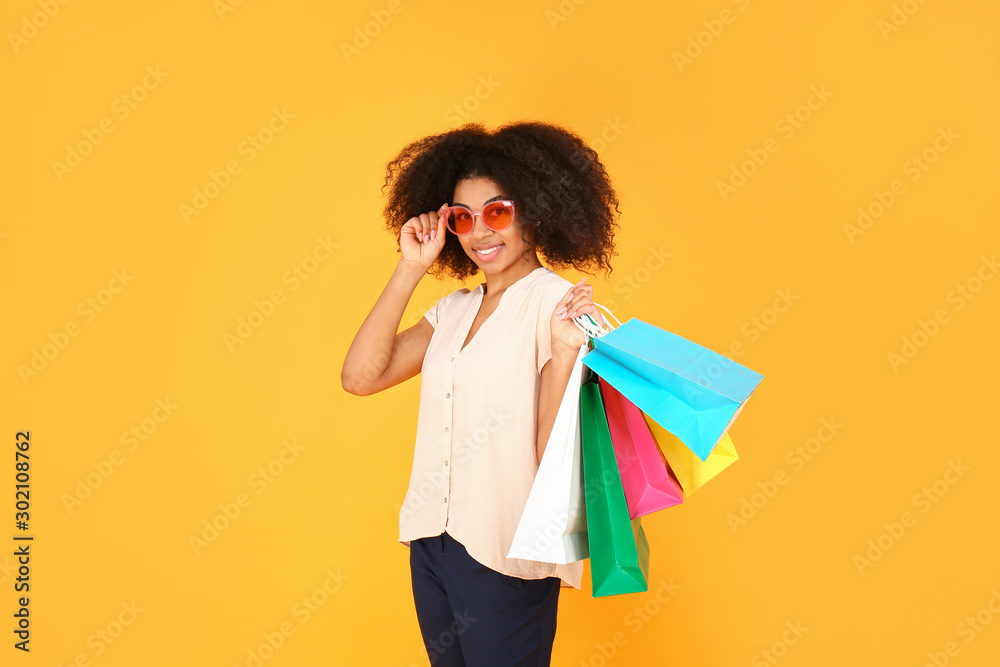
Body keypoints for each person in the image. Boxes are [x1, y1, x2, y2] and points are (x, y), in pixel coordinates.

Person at [341, 120, 619, 666]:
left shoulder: (558, 307)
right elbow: (360, 377)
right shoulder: (454, 309)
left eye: (497, 212)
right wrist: (410, 267)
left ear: (535, 211)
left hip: (505, 544)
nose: (479, 233)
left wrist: (566, 353)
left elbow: (553, 457)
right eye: (463, 218)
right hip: (432, 539)